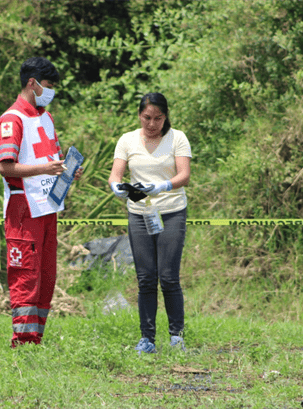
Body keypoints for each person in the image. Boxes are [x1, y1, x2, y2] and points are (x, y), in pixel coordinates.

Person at [0, 57, 81, 347]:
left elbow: (49, 160)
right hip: (24, 207)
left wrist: (68, 172)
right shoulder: (11, 120)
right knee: (26, 274)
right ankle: (23, 339)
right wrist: (46, 169)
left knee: (46, 275)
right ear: (32, 83)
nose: (51, 92)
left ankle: (37, 337)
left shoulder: (46, 117)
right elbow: (7, 167)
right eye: (48, 86)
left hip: (48, 205)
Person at [108, 92, 192, 353]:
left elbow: (184, 175)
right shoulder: (127, 140)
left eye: (158, 118)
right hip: (139, 213)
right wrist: (117, 187)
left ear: (165, 117)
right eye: (147, 118)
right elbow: (115, 174)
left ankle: (176, 336)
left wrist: (163, 185)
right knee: (145, 278)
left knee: (168, 277)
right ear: (139, 115)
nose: (152, 124)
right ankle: (147, 339)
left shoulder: (177, 138)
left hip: (171, 211)